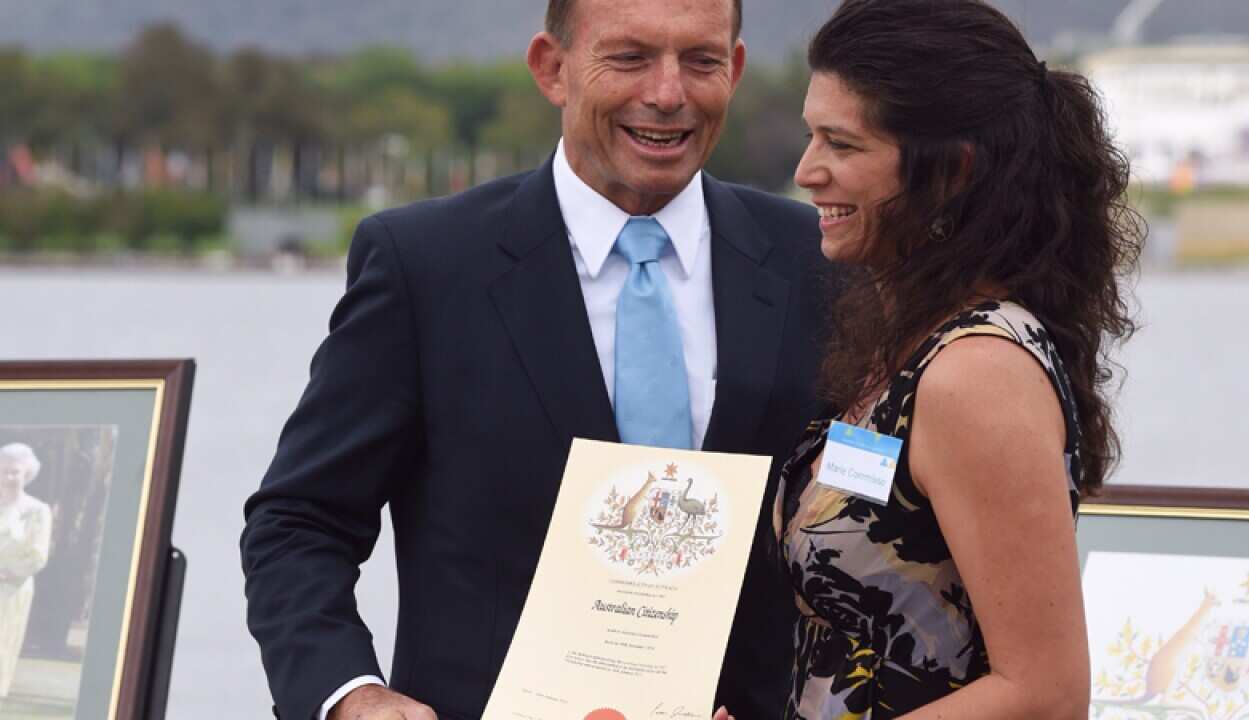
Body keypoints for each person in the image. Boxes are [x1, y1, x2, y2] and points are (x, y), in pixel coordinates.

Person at [240, 1, 827, 719]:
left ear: (733, 71)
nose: (668, 93)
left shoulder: (821, 262)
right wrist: (349, 695)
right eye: (631, 57)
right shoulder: (425, 267)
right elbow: (301, 522)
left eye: (700, 60)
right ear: (553, 68)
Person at [715, 1, 1145, 719]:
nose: (806, 171)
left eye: (841, 145)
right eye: (810, 137)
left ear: (951, 172)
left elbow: (1045, 695)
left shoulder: (975, 373)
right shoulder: (911, 339)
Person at [0, 443, 53, 700]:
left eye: (15, 472)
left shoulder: (38, 510)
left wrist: (7, 573)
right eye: (4, 471)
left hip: (11, 590)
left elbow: (38, 554)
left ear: (27, 473)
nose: (9, 477)